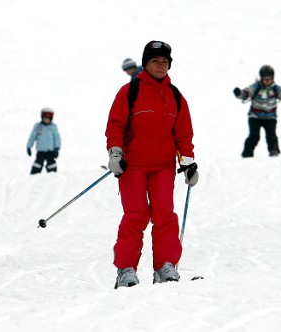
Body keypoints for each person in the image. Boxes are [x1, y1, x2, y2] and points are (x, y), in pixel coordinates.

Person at [106, 40, 199, 288]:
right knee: (135, 215)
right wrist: (115, 153)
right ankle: (126, 269)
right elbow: (116, 125)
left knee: (164, 215)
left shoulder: (175, 96)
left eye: (165, 62)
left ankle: (165, 266)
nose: (160, 65)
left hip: (163, 167)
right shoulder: (130, 92)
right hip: (133, 166)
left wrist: (187, 162)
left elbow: (183, 134)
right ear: (146, 64)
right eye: (155, 61)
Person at [233, 65, 281, 157]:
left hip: (270, 117)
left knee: (271, 136)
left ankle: (274, 152)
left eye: (269, 78)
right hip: (255, 116)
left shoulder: (275, 88)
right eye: (265, 79)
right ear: (261, 78)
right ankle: (247, 155)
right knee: (254, 136)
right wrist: (239, 93)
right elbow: (246, 93)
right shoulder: (256, 87)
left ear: (273, 78)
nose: (267, 81)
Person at [26, 108, 61, 174]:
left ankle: (53, 175)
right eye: (45, 118)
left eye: (48, 119)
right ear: (42, 117)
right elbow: (32, 137)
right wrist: (29, 146)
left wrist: (57, 148)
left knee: (51, 164)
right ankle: (34, 174)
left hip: (50, 151)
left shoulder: (53, 127)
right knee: (38, 163)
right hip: (40, 151)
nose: (46, 120)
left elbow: (57, 138)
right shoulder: (38, 126)